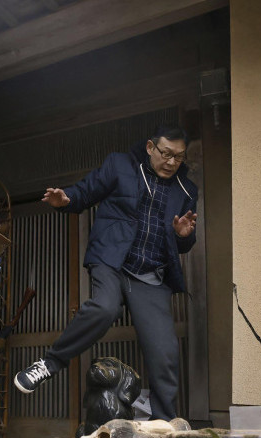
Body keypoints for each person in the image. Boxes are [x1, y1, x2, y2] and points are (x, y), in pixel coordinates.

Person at [14, 125, 198, 422]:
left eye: (179, 157)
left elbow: (185, 242)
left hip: (150, 275)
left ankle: (164, 425)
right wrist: (66, 199)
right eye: (166, 153)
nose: (171, 162)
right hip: (112, 260)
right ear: (151, 147)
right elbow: (85, 192)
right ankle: (48, 364)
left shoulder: (187, 189)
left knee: (164, 351)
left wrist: (182, 236)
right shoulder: (120, 165)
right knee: (103, 307)